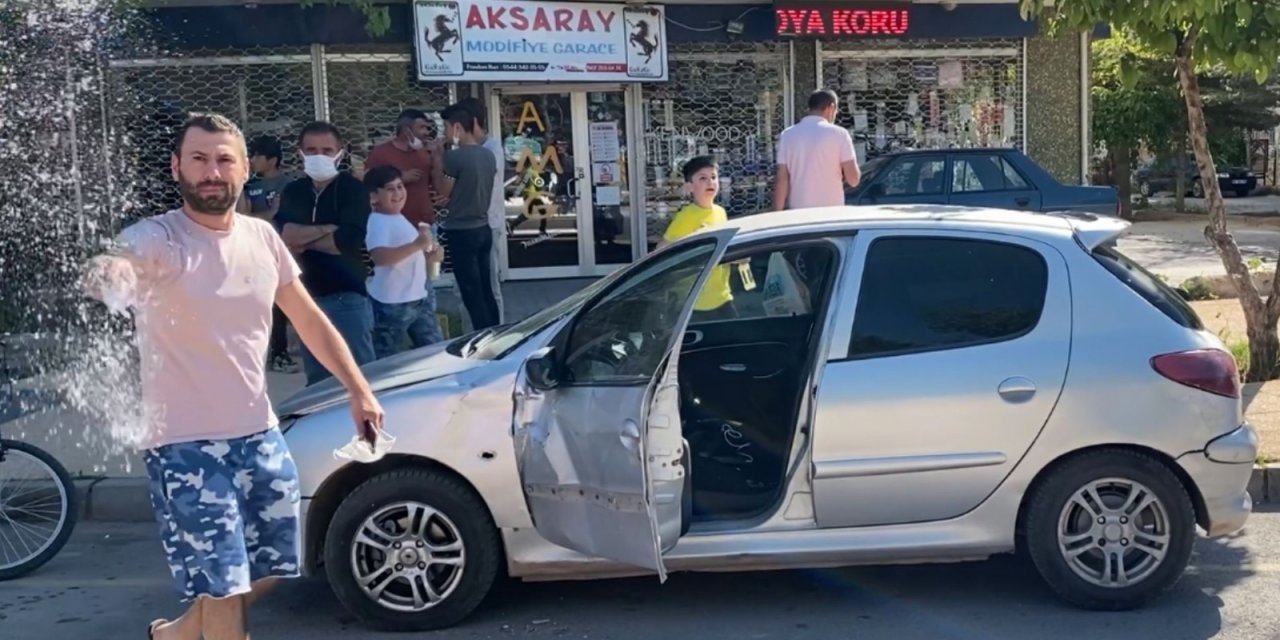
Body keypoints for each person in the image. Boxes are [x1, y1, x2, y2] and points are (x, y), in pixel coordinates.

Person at [79, 112, 385, 640]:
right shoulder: (159, 238)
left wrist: (360, 391)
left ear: (245, 170)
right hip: (185, 444)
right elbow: (118, 260)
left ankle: (177, 634)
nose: (212, 171)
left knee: (270, 568)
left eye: (224, 160)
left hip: (258, 435)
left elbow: (310, 319)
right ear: (177, 167)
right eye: (199, 159)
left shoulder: (263, 240)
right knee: (222, 587)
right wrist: (110, 272)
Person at [275, 121, 376, 384]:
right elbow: (286, 236)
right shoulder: (294, 191)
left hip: (347, 296)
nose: (319, 156)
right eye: (312, 149)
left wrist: (304, 238)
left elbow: (348, 241)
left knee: (359, 377)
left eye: (327, 150)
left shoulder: (353, 191)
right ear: (300, 152)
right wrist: (328, 230)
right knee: (318, 382)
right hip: (307, 299)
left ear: (340, 153)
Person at [363, 165, 445, 358]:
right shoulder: (377, 221)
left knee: (436, 354)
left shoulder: (398, 218)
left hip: (418, 299)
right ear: (374, 196)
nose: (398, 193)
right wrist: (418, 244)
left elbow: (407, 255)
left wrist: (429, 254)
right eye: (391, 189)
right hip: (392, 305)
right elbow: (380, 257)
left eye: (400, 186)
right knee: (386, 359)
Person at [431, 103, 500, 331]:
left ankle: (482, 336)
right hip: (483, 227)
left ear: (458, 128)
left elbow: (443, 189)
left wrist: (438, 157)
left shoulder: (455, 158)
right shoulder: (489, 155)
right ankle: (495, 329)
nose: (445, 134)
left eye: (447, 128)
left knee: (471, 291)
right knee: (486, 288)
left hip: (461, 230)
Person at [237, 135, 299, 372]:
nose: (252, 160)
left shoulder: (290, 184)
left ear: (272, 160)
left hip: (289, 249)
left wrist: (269, 214)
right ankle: (277, 354)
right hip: (258, 251)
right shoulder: (250, 186)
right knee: (270, 304)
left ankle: (290, 351)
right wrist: (268, 213)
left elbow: (289, 215)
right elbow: (243, 218)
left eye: (257, 156)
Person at [658, 155, 735, 320]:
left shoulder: (720, 212)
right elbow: (661, 250)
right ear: (689, 187)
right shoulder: (686, 217)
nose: (710, 182)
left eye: (713, 177)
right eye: (703, 178)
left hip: (722, 295)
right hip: (696, 301)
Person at [457, 96, 506, 325]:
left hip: (488, 225)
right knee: (470, 288)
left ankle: (499, 334)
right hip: (471, 226)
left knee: (489, 287)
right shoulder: (469, 150)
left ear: (472, 122)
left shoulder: (490, 149)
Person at [773, 89, 861, 211]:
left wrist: (777, 213)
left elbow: (782, 178)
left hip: (798, 212)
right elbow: (853, 180)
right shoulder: (840, 134)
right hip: (832, 213)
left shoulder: (788, 135)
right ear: (831, 107)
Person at [364, 109, 438, 228]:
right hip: (392, 225)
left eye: (427, 128)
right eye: (422, 127)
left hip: (425, 224)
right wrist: (399, 178)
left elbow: (434, 183)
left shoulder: (424, 153)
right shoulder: (381, 153)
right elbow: (367, 184)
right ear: (406, 130)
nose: (426, 132)